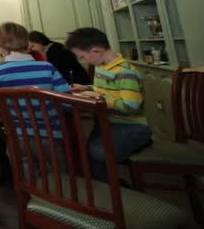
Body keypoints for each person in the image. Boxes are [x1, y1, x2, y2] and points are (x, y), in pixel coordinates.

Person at [0, 22, 72, 179]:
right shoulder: (47, 67)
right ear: (27, 43)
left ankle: (29, 196)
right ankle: (56, 198)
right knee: (56, 174)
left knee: (24, 168)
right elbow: (67, 102)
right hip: (51, 135)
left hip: (17, 135)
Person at [65, 27, 152, 182]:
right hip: (109, 122)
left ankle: (111, 188)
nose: (82, 61)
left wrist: (98, 96)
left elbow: (131, 106)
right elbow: (109, 91)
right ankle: (106, 184)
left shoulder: (125, 72)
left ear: (96, 51)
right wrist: (87, 88)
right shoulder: (101, 66)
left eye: (82, 57)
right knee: (90, 151)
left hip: (131, 126)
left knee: (98, 152)